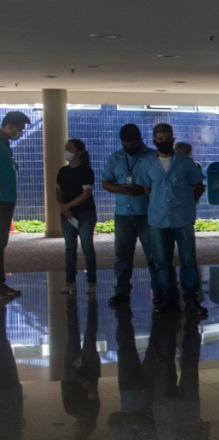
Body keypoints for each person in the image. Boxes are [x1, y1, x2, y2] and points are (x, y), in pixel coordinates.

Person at [137, 123, 206, 316]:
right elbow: (146, 188)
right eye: (160, 140)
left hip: (182, 218)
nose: (164, 142)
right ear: (154, 141)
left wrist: (187, 203)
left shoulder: (185, 162)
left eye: (167, 139)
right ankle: (169, 299)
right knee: (161, 261)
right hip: (158, 219)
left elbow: (199, 186)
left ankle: (191, 300)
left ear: (173, 140)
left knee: (188, 260)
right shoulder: (147, 164)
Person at [101, 124, 159, 307]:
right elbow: (106, 182)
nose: (129, 148)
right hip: (123, 214)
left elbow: (159, 183)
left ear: (140, 140)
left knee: (154, 255)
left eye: (132, 144)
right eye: (125, 145)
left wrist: (141, 189)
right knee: (122, 256)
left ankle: (159, 291)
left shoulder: (152, 157)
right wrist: (119, 189)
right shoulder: (115, 158)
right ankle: (121, 292)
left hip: (147, 213)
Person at [54, 138, 97, 294]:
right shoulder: (62, 171)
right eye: (66, 148)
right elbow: (58, 192)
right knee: (70, 248)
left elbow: (86, 194)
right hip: (67, 215)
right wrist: (63, 208)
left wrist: (68, 206)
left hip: (85, 213)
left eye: (70, 148)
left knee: (87, 247)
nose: (66, 151)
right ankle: (70, 281)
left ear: (78, 152)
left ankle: (91, 281)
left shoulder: (86, 170)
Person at [0, 111, 31, 299]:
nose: (19, 133)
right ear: (10, 125)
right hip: (2, 198)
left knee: (1, 242)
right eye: (19, 129)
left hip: (6, 198)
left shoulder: (5, 144)